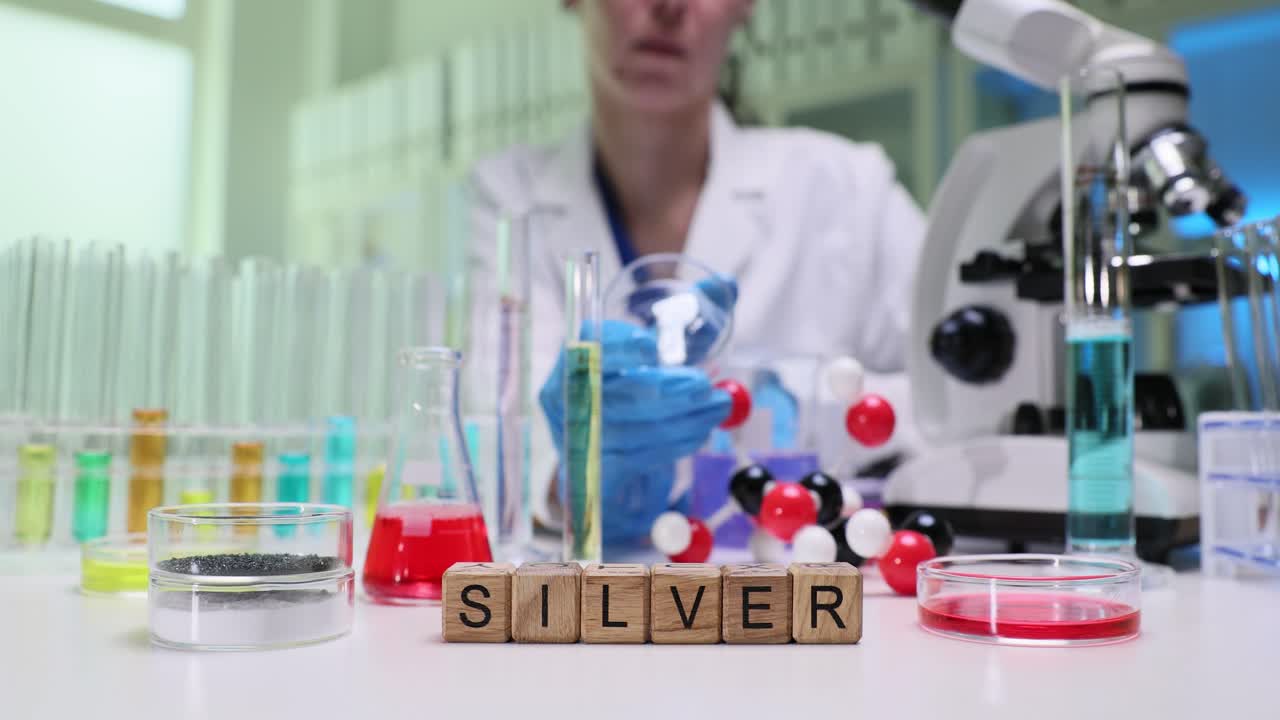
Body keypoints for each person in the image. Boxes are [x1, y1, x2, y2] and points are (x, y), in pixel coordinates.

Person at [467, 0, 925, 544]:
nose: (669, 6)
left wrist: (791, 404)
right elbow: (493, 430)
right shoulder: (511, 198)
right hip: (593, 582)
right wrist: (574, 474)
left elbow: (968, 412)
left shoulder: (849, 190)